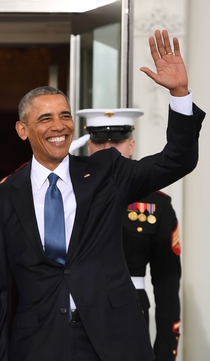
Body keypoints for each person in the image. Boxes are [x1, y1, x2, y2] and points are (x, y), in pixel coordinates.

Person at [0, 29, 204, 361]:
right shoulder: (1, 198)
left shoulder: (106, 173)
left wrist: (179, 94)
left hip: (114, 337)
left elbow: (176, 160)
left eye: (64, 116)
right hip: (38, 343)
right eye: (45, 118)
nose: (59, 126)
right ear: (22, 129)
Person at [75, 107, 181, 361]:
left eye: (117, 142)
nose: (109, 150)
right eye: (99, 142)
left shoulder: (157, 204)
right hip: (75, 311)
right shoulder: (68, 193)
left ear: (131, 145)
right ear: (88, 146)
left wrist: (165, 352)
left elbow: (167, 283)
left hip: (130, 314)